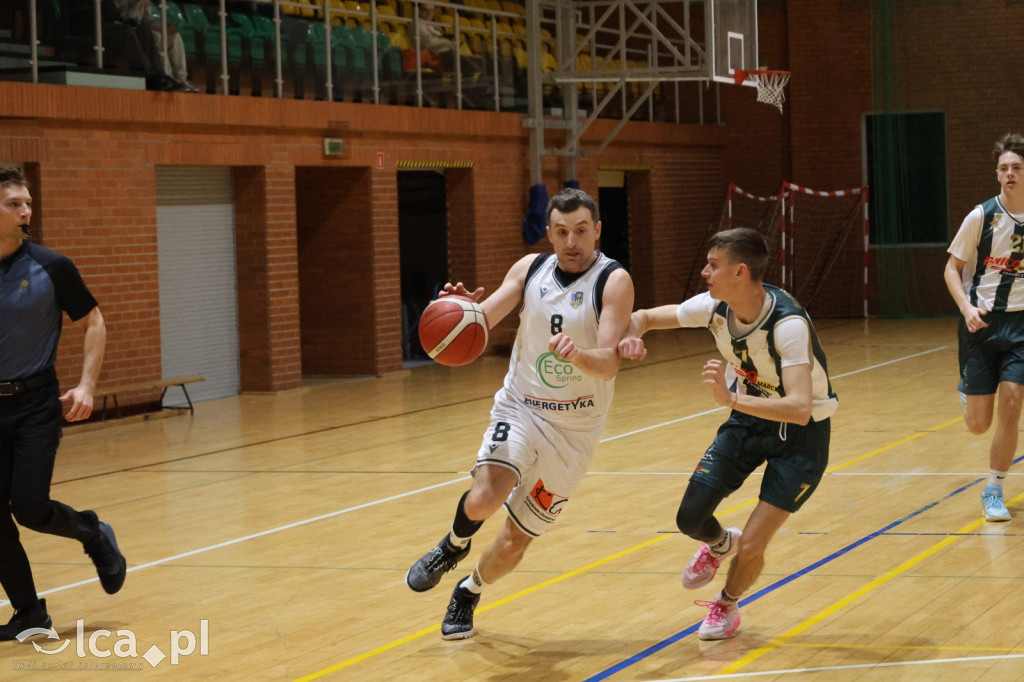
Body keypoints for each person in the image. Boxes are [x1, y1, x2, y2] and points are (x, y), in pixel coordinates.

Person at [404, 187, 634, 639]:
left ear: (598, 231)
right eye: (562, 232)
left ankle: (469, 590)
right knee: (486, 496)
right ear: (548, 233)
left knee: (514, 540)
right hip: (523, 405)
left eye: (582, 231)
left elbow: (608, 363)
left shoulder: (614, 281)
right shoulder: (530, 270)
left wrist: (578, 356)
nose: (572, 242)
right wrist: (462, 313)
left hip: (575, 429)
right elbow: (485, 319)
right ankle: (452, 545)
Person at [618, 227, 837, 641]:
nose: (704, 272)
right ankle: (719, 544)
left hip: (801, 436)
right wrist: (628, 335)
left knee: (753, 546)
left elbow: (800, 408)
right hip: (749, 419)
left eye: (713, 265)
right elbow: (645, 317)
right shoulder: (715, 307)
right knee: (690, 516)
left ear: (739, 272)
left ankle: (726, 605)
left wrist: (732, 400)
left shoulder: (788, 326)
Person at [0, 168, 126, 641]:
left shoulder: (52, 266)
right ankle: (30, 613)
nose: (26, 211)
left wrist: (87, 385)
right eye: (14, 203)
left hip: (34, 403)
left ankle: (93, 533)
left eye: (27, 203)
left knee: (30, 508)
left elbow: (94, 321)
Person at [944, 132, 1024, 523]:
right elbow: (951, 268)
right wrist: (965, 307)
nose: (1010, 173)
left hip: (1022, 326)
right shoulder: (981, 216)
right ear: (997, 174)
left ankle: (994, 488)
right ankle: (967, 393)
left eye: (1017, 167)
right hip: (981, 324)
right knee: (979, 425)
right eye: (1004, 168)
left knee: (1012, 401)